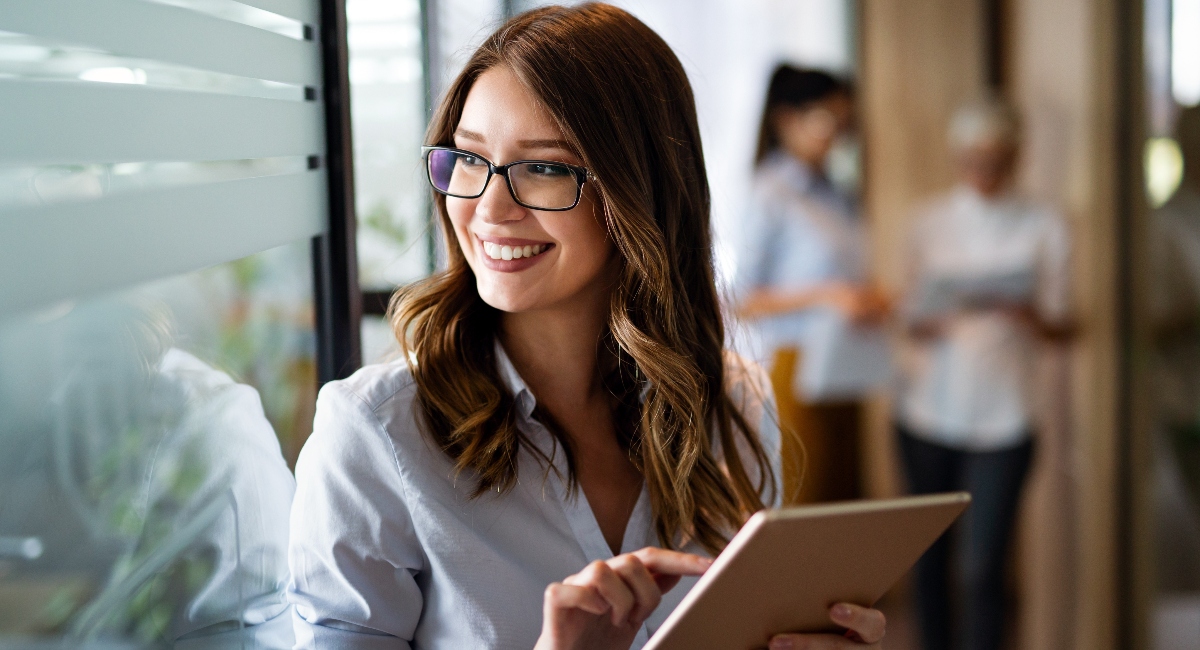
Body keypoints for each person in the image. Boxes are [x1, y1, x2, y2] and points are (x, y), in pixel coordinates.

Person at [286, 4, 887, 650]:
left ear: (640, 192)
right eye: (467, 158)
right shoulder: (376, 436)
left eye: (543, 167)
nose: (488, 209)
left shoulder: (733, 405)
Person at [895, 97, 1072, 650]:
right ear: (957, 157)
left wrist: (1028, 313)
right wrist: (931, 314)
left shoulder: (1044, 224)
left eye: (997, 157)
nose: (984, 169)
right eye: (973, 156)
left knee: (982, 566)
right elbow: (905, 316)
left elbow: (1066, 325)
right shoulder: (927, 222)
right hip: (928, 411)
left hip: (1008, 416)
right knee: (929, 561)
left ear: (1016, 156)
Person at [737, 66, 888, 503]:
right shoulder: (772, 192)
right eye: (827, 119)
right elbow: (743, 299)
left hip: (846, 359)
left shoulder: (836, 194)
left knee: (844, 500)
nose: (837, 134)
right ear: (786, 119)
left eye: (845, 121)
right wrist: (830, 295)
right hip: (793, 364)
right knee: (803, 502)